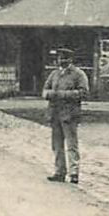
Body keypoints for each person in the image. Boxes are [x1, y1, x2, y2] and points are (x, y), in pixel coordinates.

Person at [42, 46, 89, 183]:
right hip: (55, 113)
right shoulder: (54, 74)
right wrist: (49, 94)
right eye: (59, 58)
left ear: (70, 60)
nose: (61, 60)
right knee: (57, 145)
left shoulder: (78, 74)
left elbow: (84, 93)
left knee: (71, 144)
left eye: (64, 58)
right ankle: (59, 171)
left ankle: (74, 173)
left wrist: (63, 95)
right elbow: (45, 90)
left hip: (69, 114)